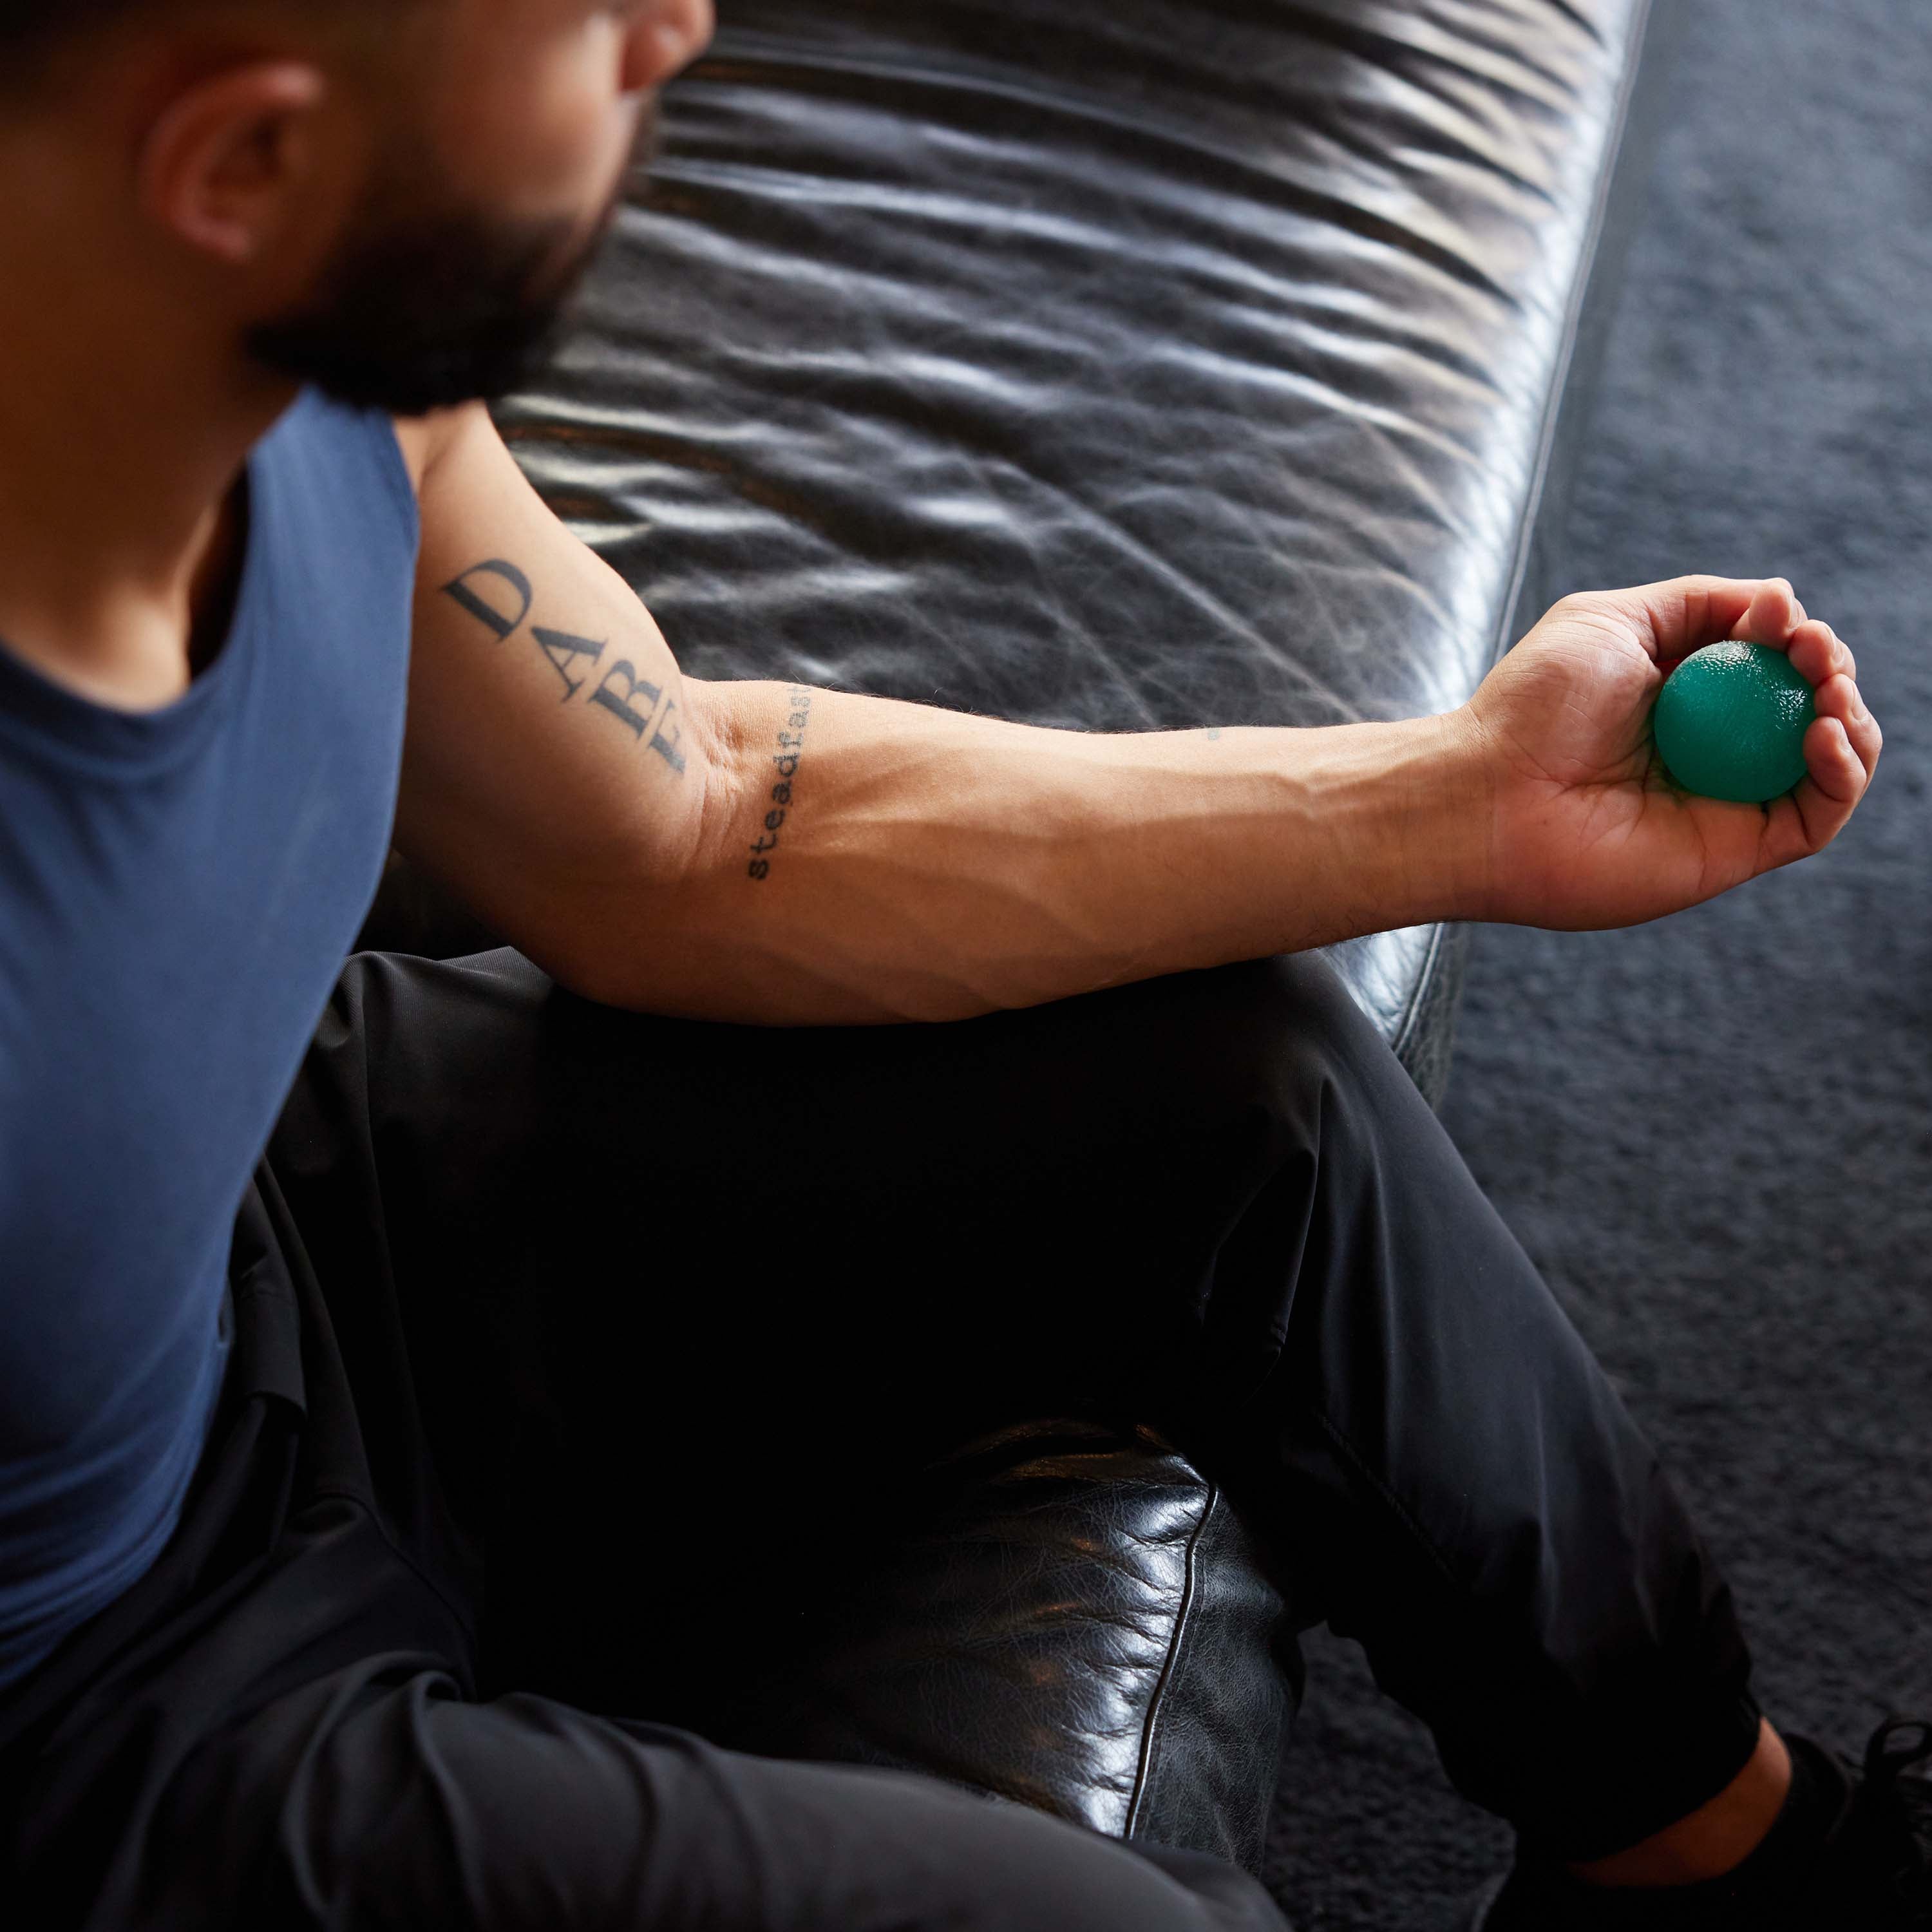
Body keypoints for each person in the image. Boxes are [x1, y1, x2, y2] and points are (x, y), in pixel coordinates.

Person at [0, 1, 1921, 1927]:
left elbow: (683, 824)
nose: (681, 20)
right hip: (92, 1699)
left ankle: (1728, 1856)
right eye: (583, 16)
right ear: (239, 164)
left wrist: (1462, 802)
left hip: (267, 1210)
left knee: (1251, 1101)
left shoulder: (315, 342)